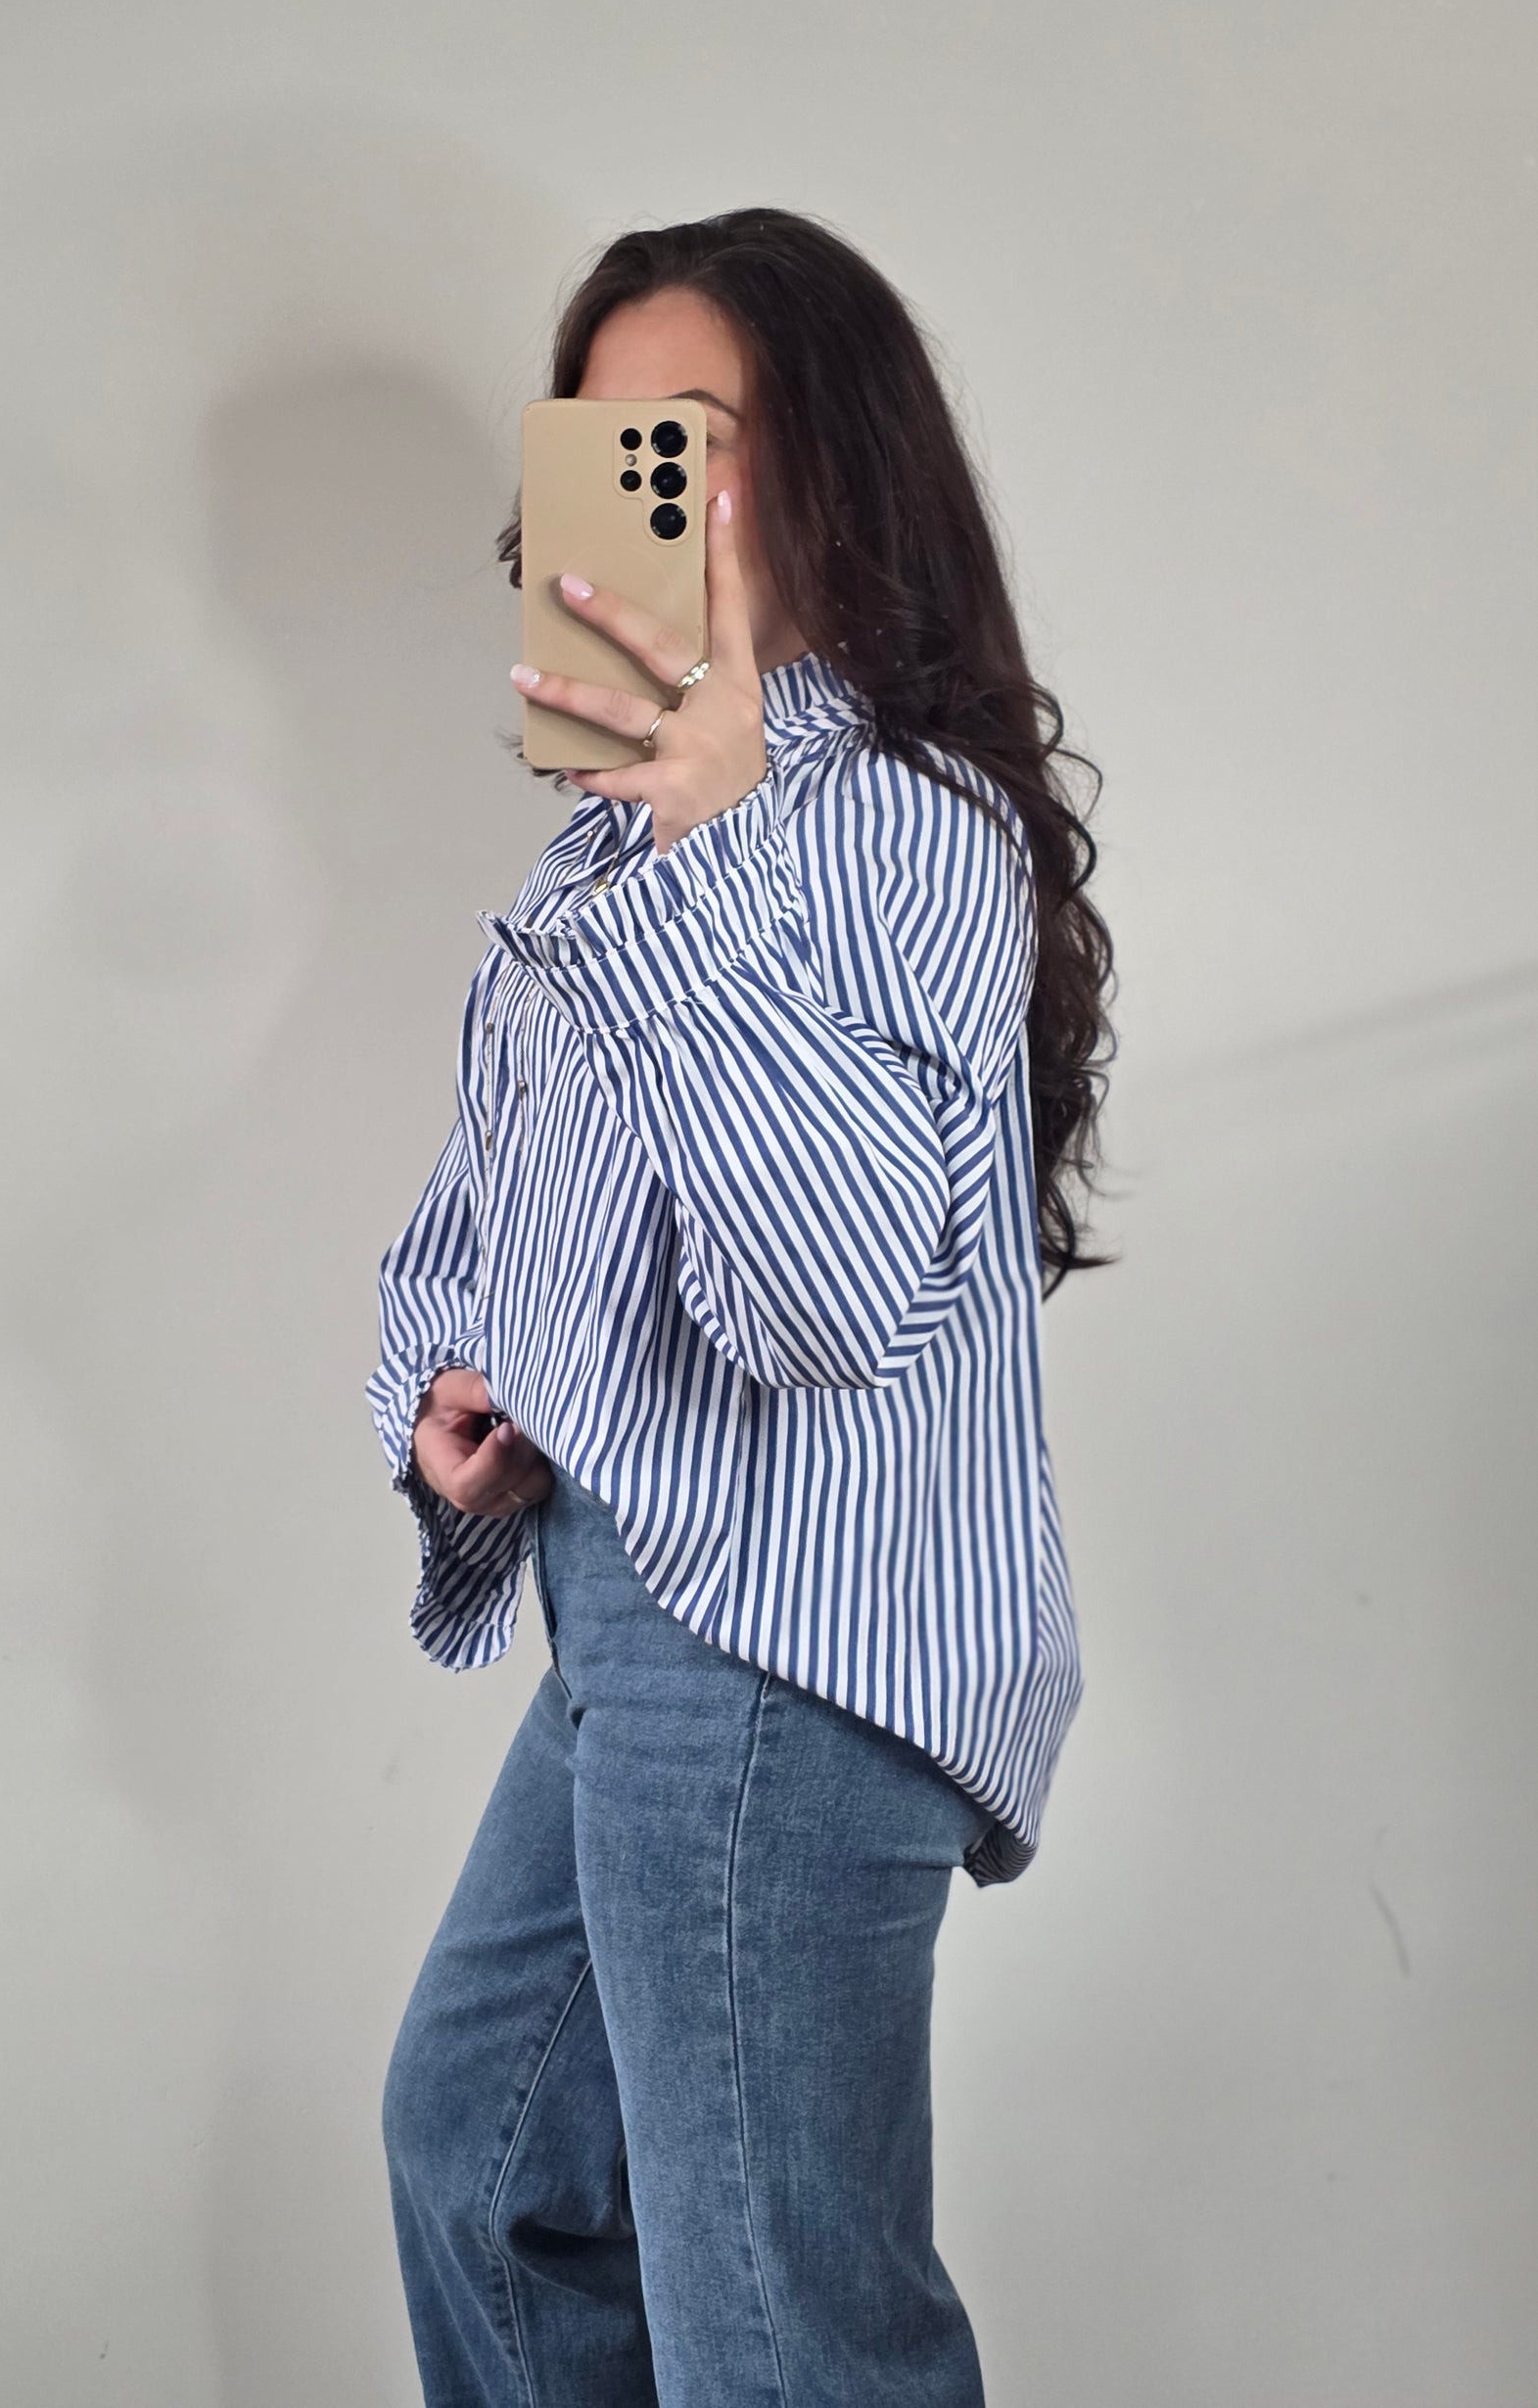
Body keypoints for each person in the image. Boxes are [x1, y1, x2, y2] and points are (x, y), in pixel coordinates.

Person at [365, 208, 1114, 2408]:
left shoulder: (903, 819)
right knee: (482, 2161)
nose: (632, 492)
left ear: (839, 464)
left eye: (686, 438)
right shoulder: (600, 850)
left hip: (791, 1639)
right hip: (631, 1607)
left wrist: (714, 851)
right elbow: (496, 1207)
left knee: (779, 2322)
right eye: (600, 442)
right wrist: (453, 1392)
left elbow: (828, 1304)